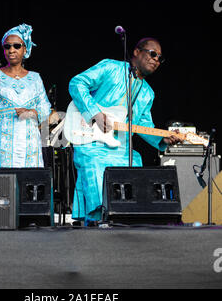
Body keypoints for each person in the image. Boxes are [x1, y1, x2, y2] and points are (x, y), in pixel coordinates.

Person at [68, 37, 181, 225]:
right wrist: (95, 113)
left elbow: (144, 126)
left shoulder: (147, 93)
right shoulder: (110, 68)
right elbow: (77, 83)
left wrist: (162, 139)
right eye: (152, 54)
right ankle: (98, 219)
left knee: (135, 165)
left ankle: (125, 221)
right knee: (95, 163)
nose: (156, 60)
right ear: (137, 52)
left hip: (122, 148)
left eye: (160, 58)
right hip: (91, 139)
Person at [0, 23, 51, 168]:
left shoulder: (35, 78)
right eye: (7, 47)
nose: (11, 50)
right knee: (0, 185)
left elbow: (45, 109)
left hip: (28, 141)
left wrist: (32, 112)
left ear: (25, 48)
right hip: (0, 141)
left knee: (27, 185)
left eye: (16, 46)